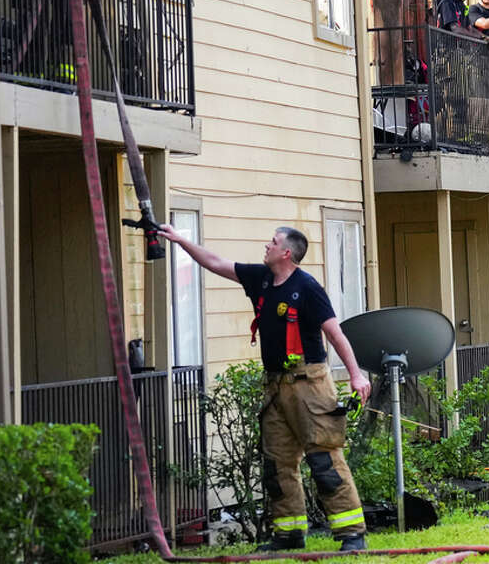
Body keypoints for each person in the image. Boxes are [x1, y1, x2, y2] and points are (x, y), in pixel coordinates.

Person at [156, 224, 372, 552]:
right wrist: (181, 239)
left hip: (310, 386)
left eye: (273, 242)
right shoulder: (261, 279)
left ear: (287, 253)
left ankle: (352, 536)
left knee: (324, 461)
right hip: (275, 388)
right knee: (276, 464)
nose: (266, 245)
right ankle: (288, 535)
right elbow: (214, 262)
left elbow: (335, 333)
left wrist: (357, 376)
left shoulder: (307, 287)